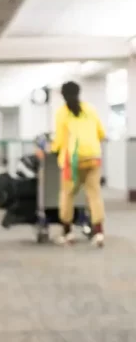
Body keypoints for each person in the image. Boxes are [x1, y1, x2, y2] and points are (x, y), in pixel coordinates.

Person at [49, 81, 106, 247]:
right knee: (94, 194)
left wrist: (52, 149)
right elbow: (101, 133)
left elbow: (59, 140)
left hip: (73, 160)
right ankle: (99, 233)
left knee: (67, 195)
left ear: (63, 95)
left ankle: (68, 233)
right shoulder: (90, 109)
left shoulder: (62, 113)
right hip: (93, 157)